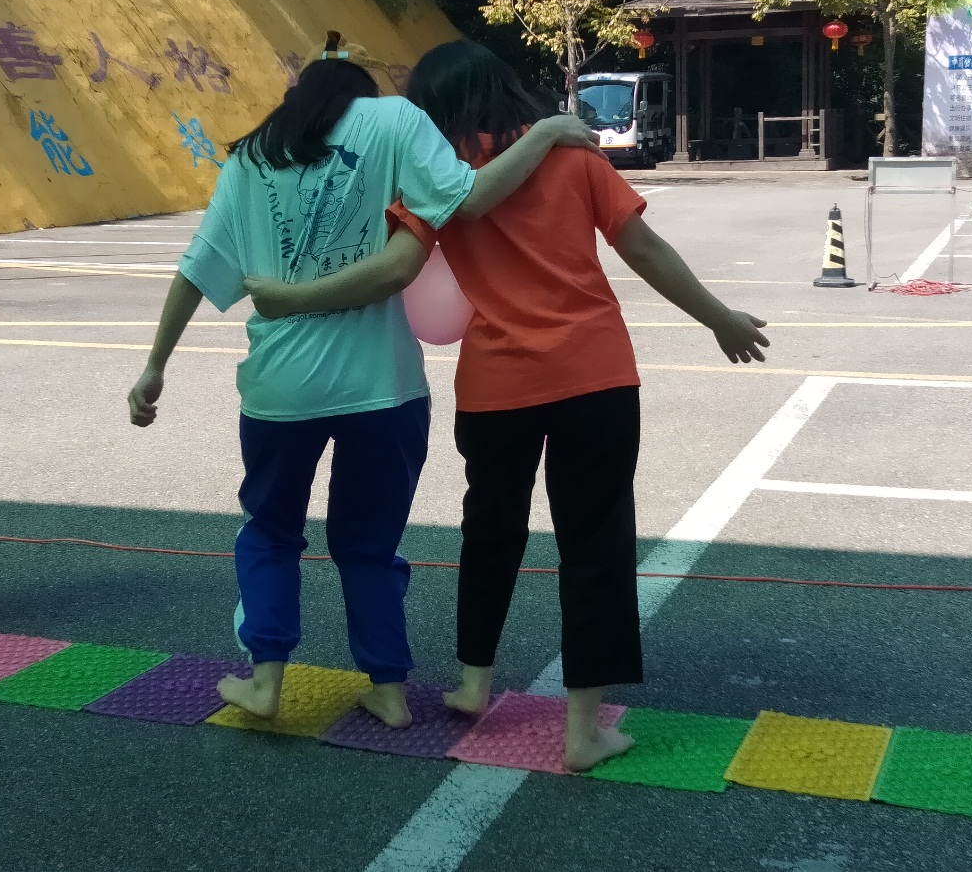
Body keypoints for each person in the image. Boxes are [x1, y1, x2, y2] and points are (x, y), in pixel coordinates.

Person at [242, 40, 769, 770]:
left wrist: (291, 300)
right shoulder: (572, 157)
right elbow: (644, 250)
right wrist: (719, 318)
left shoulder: (429, 180)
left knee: (490, 532)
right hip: (594, 375)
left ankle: (472, 683)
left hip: (496, 388)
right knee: (595, 544)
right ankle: (584, 730)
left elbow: (393, 268)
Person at [127, 33, 601, 729]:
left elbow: (198, 268)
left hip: (281, 388)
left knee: (270, 532)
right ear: (359, 95)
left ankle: (264, 681)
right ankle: (388, 687)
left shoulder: (251, 155)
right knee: (369, 543)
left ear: (298, 98)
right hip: (385, 387)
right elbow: (471, 198)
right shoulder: (394, 121)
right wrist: (551, 130)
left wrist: (155, 365)